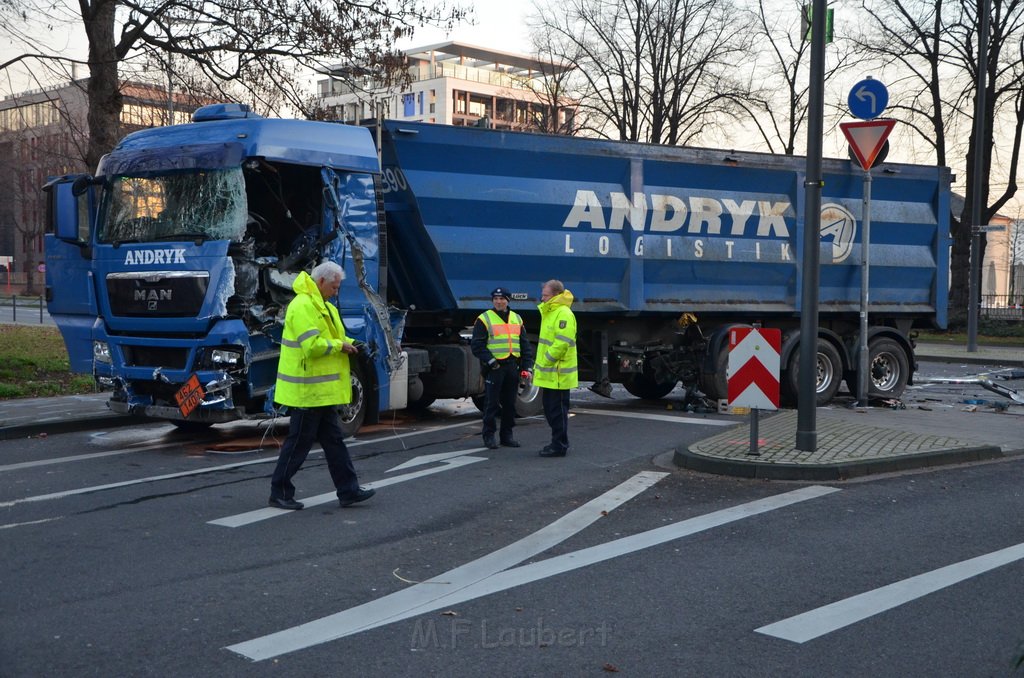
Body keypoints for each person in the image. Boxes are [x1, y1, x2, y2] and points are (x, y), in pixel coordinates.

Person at [268, 261, 375, 510]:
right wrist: (340, 346)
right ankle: (279, 491)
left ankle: (348, 491)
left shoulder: (322, 306)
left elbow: (335, 337)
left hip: (320, 393)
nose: (336, 292)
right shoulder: (303, 306)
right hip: (306, 391)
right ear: (322, 282)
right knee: (299, 443)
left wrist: (353, 343)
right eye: (335, 288)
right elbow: (313, 346)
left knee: (333, 441)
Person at [471, 287, 535, 449]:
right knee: (491, 404)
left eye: (502, 299)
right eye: (495, 299)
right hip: (495, 367)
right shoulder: (484, 319)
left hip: (512, 366)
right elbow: (477, 345)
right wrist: (491, 361)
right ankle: (489, 436)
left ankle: (507, 436)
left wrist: (527, 366)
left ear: (508, 300)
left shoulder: (517, 318)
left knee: (509, 404)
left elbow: (524, 345)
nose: (498, 302)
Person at [533, 279, 577, 457]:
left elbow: (561, 343)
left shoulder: (562, 313)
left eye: (546, 295)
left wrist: (545, 361)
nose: (542, 298)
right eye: (543, 295)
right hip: (552, 373)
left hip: (558, 373)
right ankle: (557, 442)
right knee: (552, 410)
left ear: (556, 295)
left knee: (557, 411)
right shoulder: (551, 312)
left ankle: (559, 445)